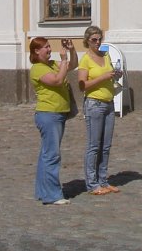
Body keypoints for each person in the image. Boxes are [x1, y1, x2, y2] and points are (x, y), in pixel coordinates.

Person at [29, 36, 79, 205]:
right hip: (48, 114)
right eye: (46, 47)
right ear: (37, 51)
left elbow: (73, 66)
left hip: (58, 113)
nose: (49, 50)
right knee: (52, 155)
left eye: (50, 47)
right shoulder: (37, 68)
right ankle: (53, 195)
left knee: (46, 154)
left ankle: (43, 192)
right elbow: (57, 81)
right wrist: (64, 58)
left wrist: (71, 50)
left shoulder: (51, 64)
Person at [78, 25, 123, 196]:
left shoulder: (106, 56)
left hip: (109, 102)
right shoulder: (86, 60)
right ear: (87, 41)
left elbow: (109, 74)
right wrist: (103, 77)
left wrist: (115, 75)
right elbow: (83, 85)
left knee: (106, 145)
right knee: (93, 146)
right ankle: (92, 183)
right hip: (94, 104)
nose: (97, 43)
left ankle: (103, 180)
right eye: (94, 40)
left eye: (99, 39)